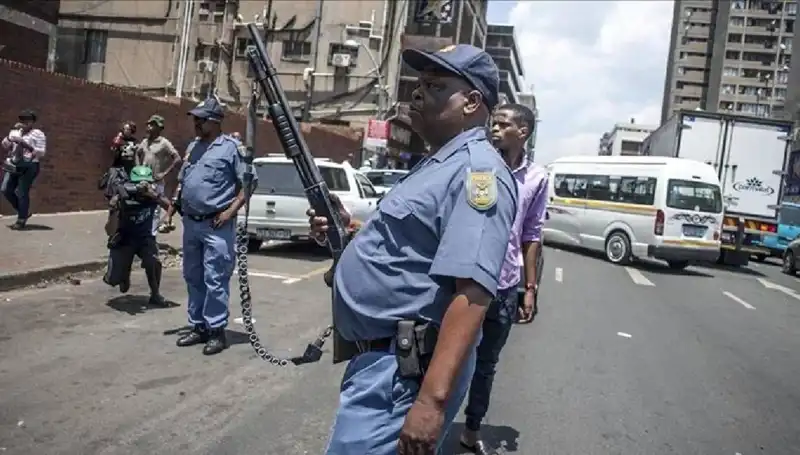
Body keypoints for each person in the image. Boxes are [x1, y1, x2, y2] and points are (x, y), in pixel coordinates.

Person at [307, 44, 518, 454]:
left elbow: (472, 291)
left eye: (436, 86)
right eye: (419, 84)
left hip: (404, 374)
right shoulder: (438, 162)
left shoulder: (479, 171)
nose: (417, 94)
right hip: (382, 365)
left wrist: (430, 401)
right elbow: (412, 247)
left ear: (472, 102)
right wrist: (347, 233)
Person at [459, 103, 548, 455]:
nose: (494, 128)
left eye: (503, 124)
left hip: (507, 283)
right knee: (447, 353)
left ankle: (470, 428)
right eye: (492, 123)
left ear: (522, 131)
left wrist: (530, 289)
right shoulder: (478, 165)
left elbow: (532, 234)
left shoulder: (537, 178)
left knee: (486, 363)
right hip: (467, 279)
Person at [175, 98, 252, 356]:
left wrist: (230, 212)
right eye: (195, 119)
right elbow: (184, 179)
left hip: (215, 225)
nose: (195, 123)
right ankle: (198, 326)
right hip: (192, 223)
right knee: (193, 276)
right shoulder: (194, 147)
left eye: (201, 119)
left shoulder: (231, 149)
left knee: (215, 278)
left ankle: (217, 330)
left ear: (215, 121)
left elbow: (249, 185)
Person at [103, 165, 171, 305]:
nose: (141, 187)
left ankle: (155, 294)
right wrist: (114, 210)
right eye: (138, 184)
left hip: (144, 238)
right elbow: (109, 230)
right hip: (124, 238)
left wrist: (154, 195)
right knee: (113, 280)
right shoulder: (123, 197)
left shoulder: (152, 196)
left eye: (145, 183)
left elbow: (170, 207)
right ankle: (123, 275)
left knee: (153, 261)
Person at [136, 114, 182, 236]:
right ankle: (143, 235)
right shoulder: (145, 142)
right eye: (149, 124)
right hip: (142, 180)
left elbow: (177, 158)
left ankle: (152, 236)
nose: (149, 127)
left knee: (155, 210)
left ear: (159, 128)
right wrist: (138, 167)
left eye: (152, 125)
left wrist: (164, 173)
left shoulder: (164, 143)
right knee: (142, 209)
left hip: (156, 181)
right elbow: (137, 152)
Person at [1, 110, 46, 229]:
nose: (23, 123)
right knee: (5, 189)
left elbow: (41, 152)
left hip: (29, 165)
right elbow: (5, 145)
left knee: (22, 191)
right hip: (14, 164)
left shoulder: (38, 134)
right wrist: (10, 139)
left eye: (26, 121)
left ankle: (21, 219)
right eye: (22, 120)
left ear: (32, 122)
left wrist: (24, 143)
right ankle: (24, 211)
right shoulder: (15, 132)